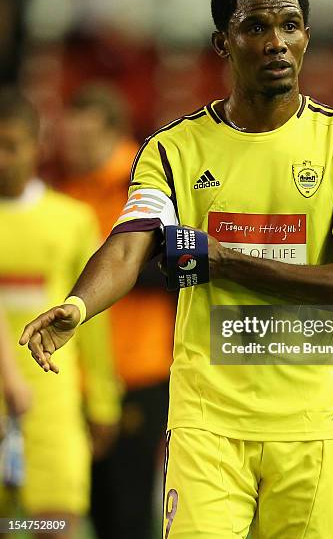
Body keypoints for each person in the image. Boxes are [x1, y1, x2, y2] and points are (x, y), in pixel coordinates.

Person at [20, 0, 333, 539]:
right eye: (256, 28)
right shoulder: (172, 151)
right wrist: (78, 305)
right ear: (223, 42)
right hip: (206, 424)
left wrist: (221, 260)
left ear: (307, 38)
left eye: (291, 26)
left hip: (314, 424)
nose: (276, 43)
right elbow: (127, 249)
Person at [0, 88, 120, 538]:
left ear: (37, 145)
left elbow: (91, 319)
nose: (2, 158)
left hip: (52, 400)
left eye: (11, 145)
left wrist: (103, 399)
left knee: (54, 525)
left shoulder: (71, 220)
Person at [58, 83, 174, 539]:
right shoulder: (70, 193)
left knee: (127, 511)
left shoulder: (148, 189)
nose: (76, 149)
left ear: (113, 133)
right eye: (70, 140)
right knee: (93, 506)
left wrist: (112, 271)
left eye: (86, 140)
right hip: (83, 376)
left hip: (139, 370)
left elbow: (178, 267)